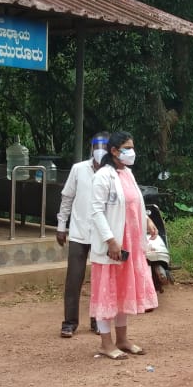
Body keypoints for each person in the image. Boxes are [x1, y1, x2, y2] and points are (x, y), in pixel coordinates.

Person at [88, 131, 159, 359]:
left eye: (132, 147)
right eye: (127, 148)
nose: (132, 152)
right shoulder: (103, 176)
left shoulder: (127, 173)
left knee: (122, 290)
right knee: (106, 292)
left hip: (130, 242)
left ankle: (122, 339)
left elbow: (134, 203)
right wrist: (110, 241)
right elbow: (96, 211)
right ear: (114, 151)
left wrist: (147, 220)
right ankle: (105, 343)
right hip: (112, 244)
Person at [56, 131, 110, 338]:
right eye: (97, 147)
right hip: (79, 232)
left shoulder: (111, 173)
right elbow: (67, 197)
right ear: (91, 148)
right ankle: (69, 322)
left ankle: (97, 320)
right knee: (74, 279)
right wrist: (61, 225)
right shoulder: (78, 169)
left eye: (104, 147)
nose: (100, 151)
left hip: (102, 234)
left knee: (100, 280)